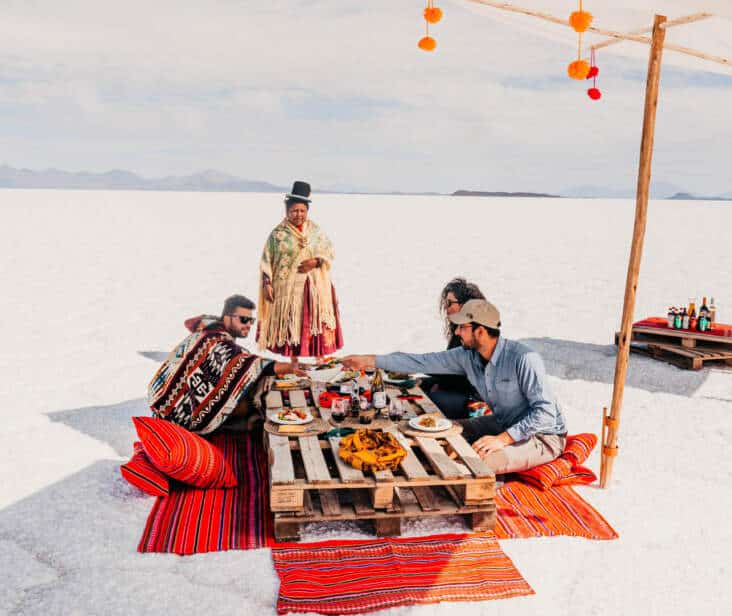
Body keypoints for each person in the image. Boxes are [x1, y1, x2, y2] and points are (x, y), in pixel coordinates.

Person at [342, 299, 567, 474]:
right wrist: (371, 360)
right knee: (435, 432)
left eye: (462, 327)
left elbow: (545, 413)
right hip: (502, 422)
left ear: (480, 330)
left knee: (471, 462)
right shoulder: (467, 355)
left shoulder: (524, 358)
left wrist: (503, 439)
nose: (457, 332)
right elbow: (422, 361)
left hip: (542, 437)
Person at [148, 295, 302, 434]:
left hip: (164, 401)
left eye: (251, 320)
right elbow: (244, 361)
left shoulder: (211, 327)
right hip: (175, 415)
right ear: (227, 318)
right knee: (245, 399)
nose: (248, 325)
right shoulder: (217, 341)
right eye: (243, 319)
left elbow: (191, 323)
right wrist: (290, 367)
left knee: (238, 389)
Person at [257, 180, 343, 357]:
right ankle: (293, 363)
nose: (298, 214)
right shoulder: (277, 234)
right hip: (288, 289)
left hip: (315, 287)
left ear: (307, 211)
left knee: (317, 322)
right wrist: (267, 284)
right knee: (291, 322)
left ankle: (321, 359)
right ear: (287, 211)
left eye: (302, 211)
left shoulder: (316, 230)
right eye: (294, 211)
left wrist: (316, 262)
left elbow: (328, 250)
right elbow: (267, 260)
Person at [424, 277, 486, 418]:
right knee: (418, 386)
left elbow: (456, 372)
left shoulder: (475, 331)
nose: (446, 306)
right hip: (458, 387)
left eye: (450, 303)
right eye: (445, 302)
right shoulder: (458, 329)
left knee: (430, 398)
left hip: (473, 400)